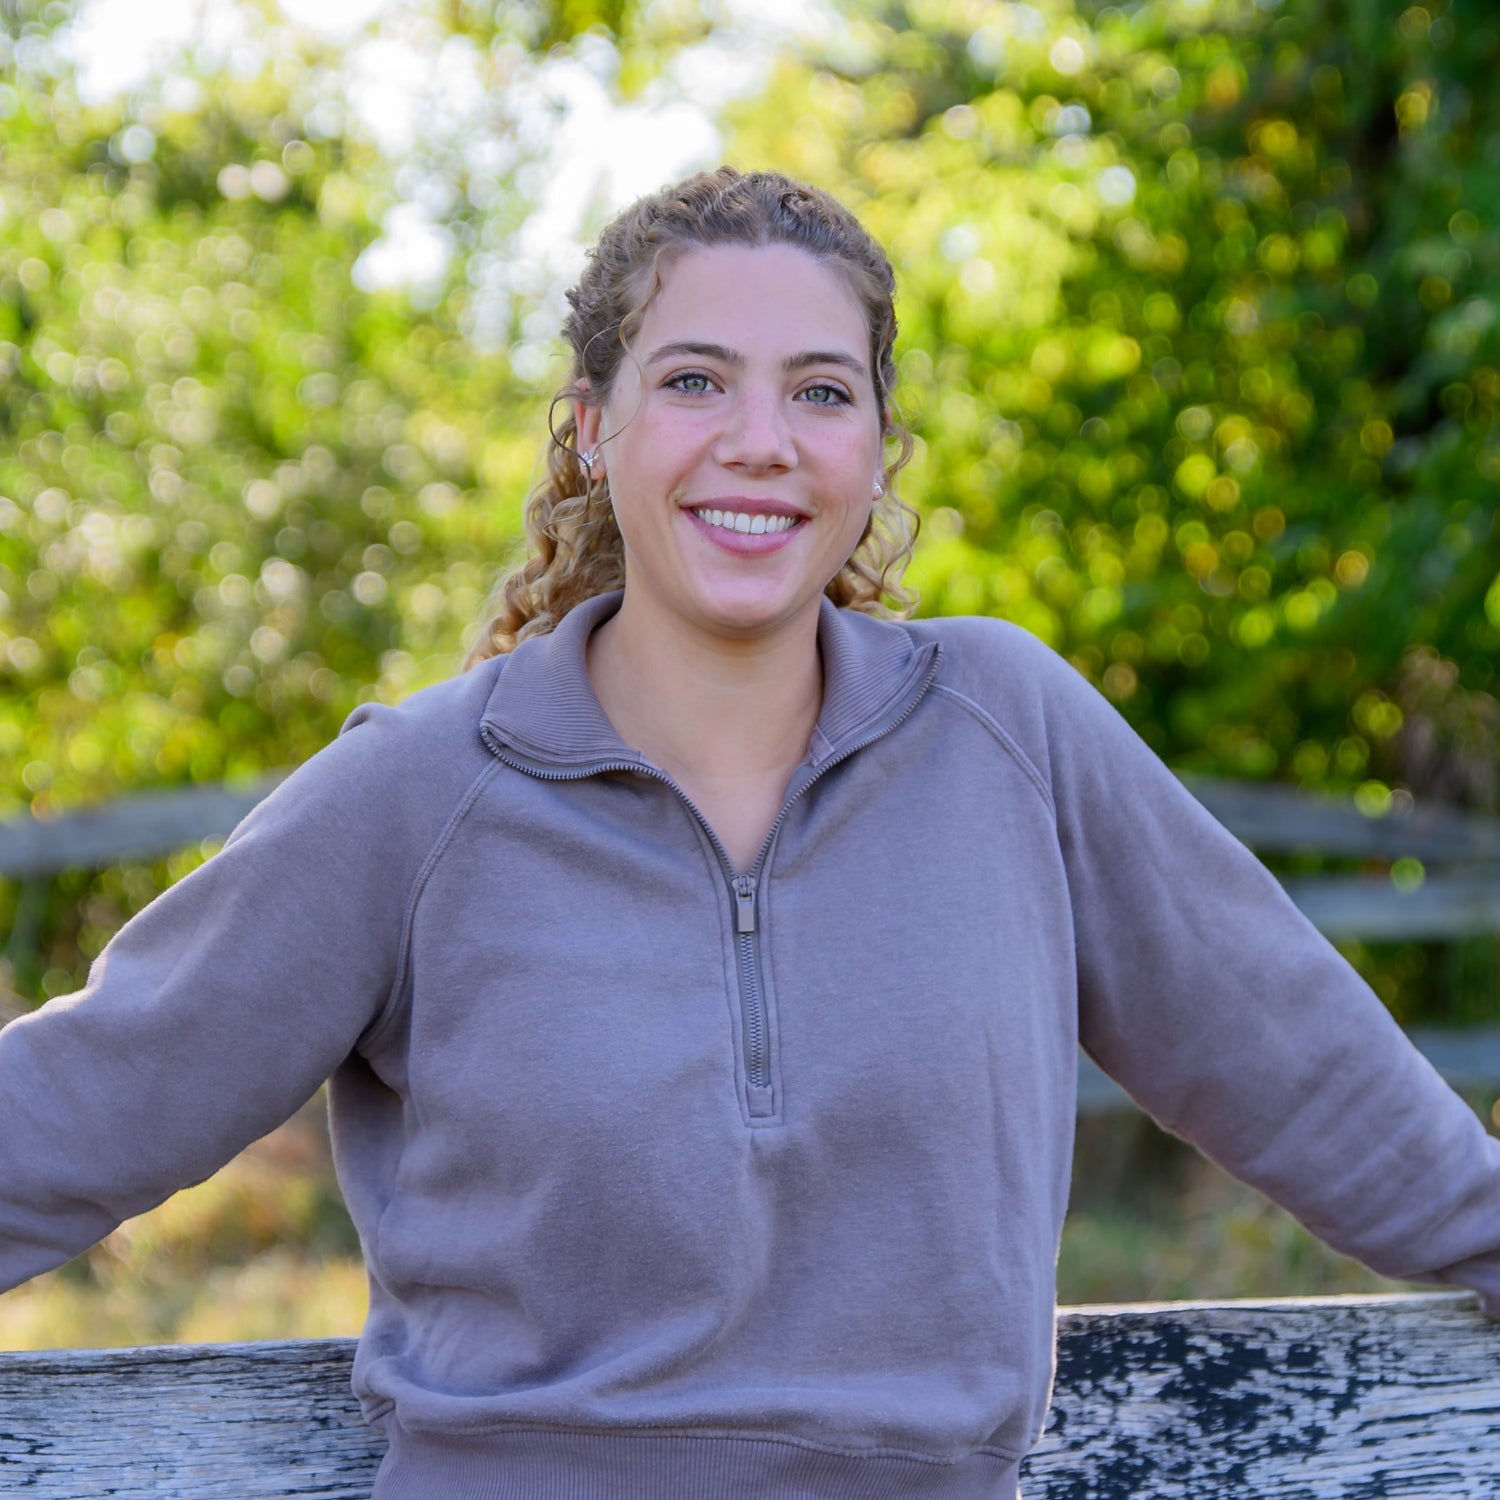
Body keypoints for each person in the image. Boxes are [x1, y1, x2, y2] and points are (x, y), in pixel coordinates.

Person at [1, 165, 1498, 1500]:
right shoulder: (423, 790)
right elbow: (95, 1093)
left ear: (876, 448)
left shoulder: (1007, 733)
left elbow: (1301, 1062)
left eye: (822, 391)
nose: (762, 442)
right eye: (698, 381)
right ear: (595, 432)